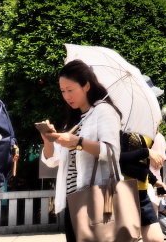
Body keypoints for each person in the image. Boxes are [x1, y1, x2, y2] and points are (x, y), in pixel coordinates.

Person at [40, 59, 122, 242]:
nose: (66, 96)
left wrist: (78, 142)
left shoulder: (104, 111)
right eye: (63, 91)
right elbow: (52, 160)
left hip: (97, 198)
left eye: (70, 90)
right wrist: (48, 140)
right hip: (73, 199)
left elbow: (112, 152)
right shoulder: (74, 119)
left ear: (86, 86)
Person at [119, 131, 166, 242]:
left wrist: (154, 180)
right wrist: (146, 152)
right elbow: (118, 157)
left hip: (142, 192)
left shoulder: (145, 130)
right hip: (125, 191)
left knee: (156, 239)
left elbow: (141, 164)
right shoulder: (123, 129)